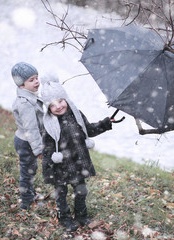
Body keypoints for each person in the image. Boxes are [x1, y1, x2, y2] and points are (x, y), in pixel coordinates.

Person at [40, 75, 113, 232]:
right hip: (59, 166)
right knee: (61, 193)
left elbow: (89, 130)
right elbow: (46, 149)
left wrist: (105, 123)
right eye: (53, 105)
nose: (58, 106)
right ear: (48, 108)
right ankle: (64, 218)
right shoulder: (49, 125)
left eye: (60, 101)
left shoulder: (76, 114)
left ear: (65, 98)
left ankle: (81, 215)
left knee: (81, 190)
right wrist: (51, 162)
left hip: (77, 162)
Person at [11, 62, 44, 210]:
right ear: (21, 85)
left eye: (37, 78)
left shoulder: (31, 97)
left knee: (31, 169)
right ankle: (26, 202)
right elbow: (31, 128)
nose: (36, 82)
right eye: (31, 80)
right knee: (27, 172)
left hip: (27, 140)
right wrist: (39, 149)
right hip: (26, 142)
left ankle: (30, 194)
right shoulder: (25, 103)